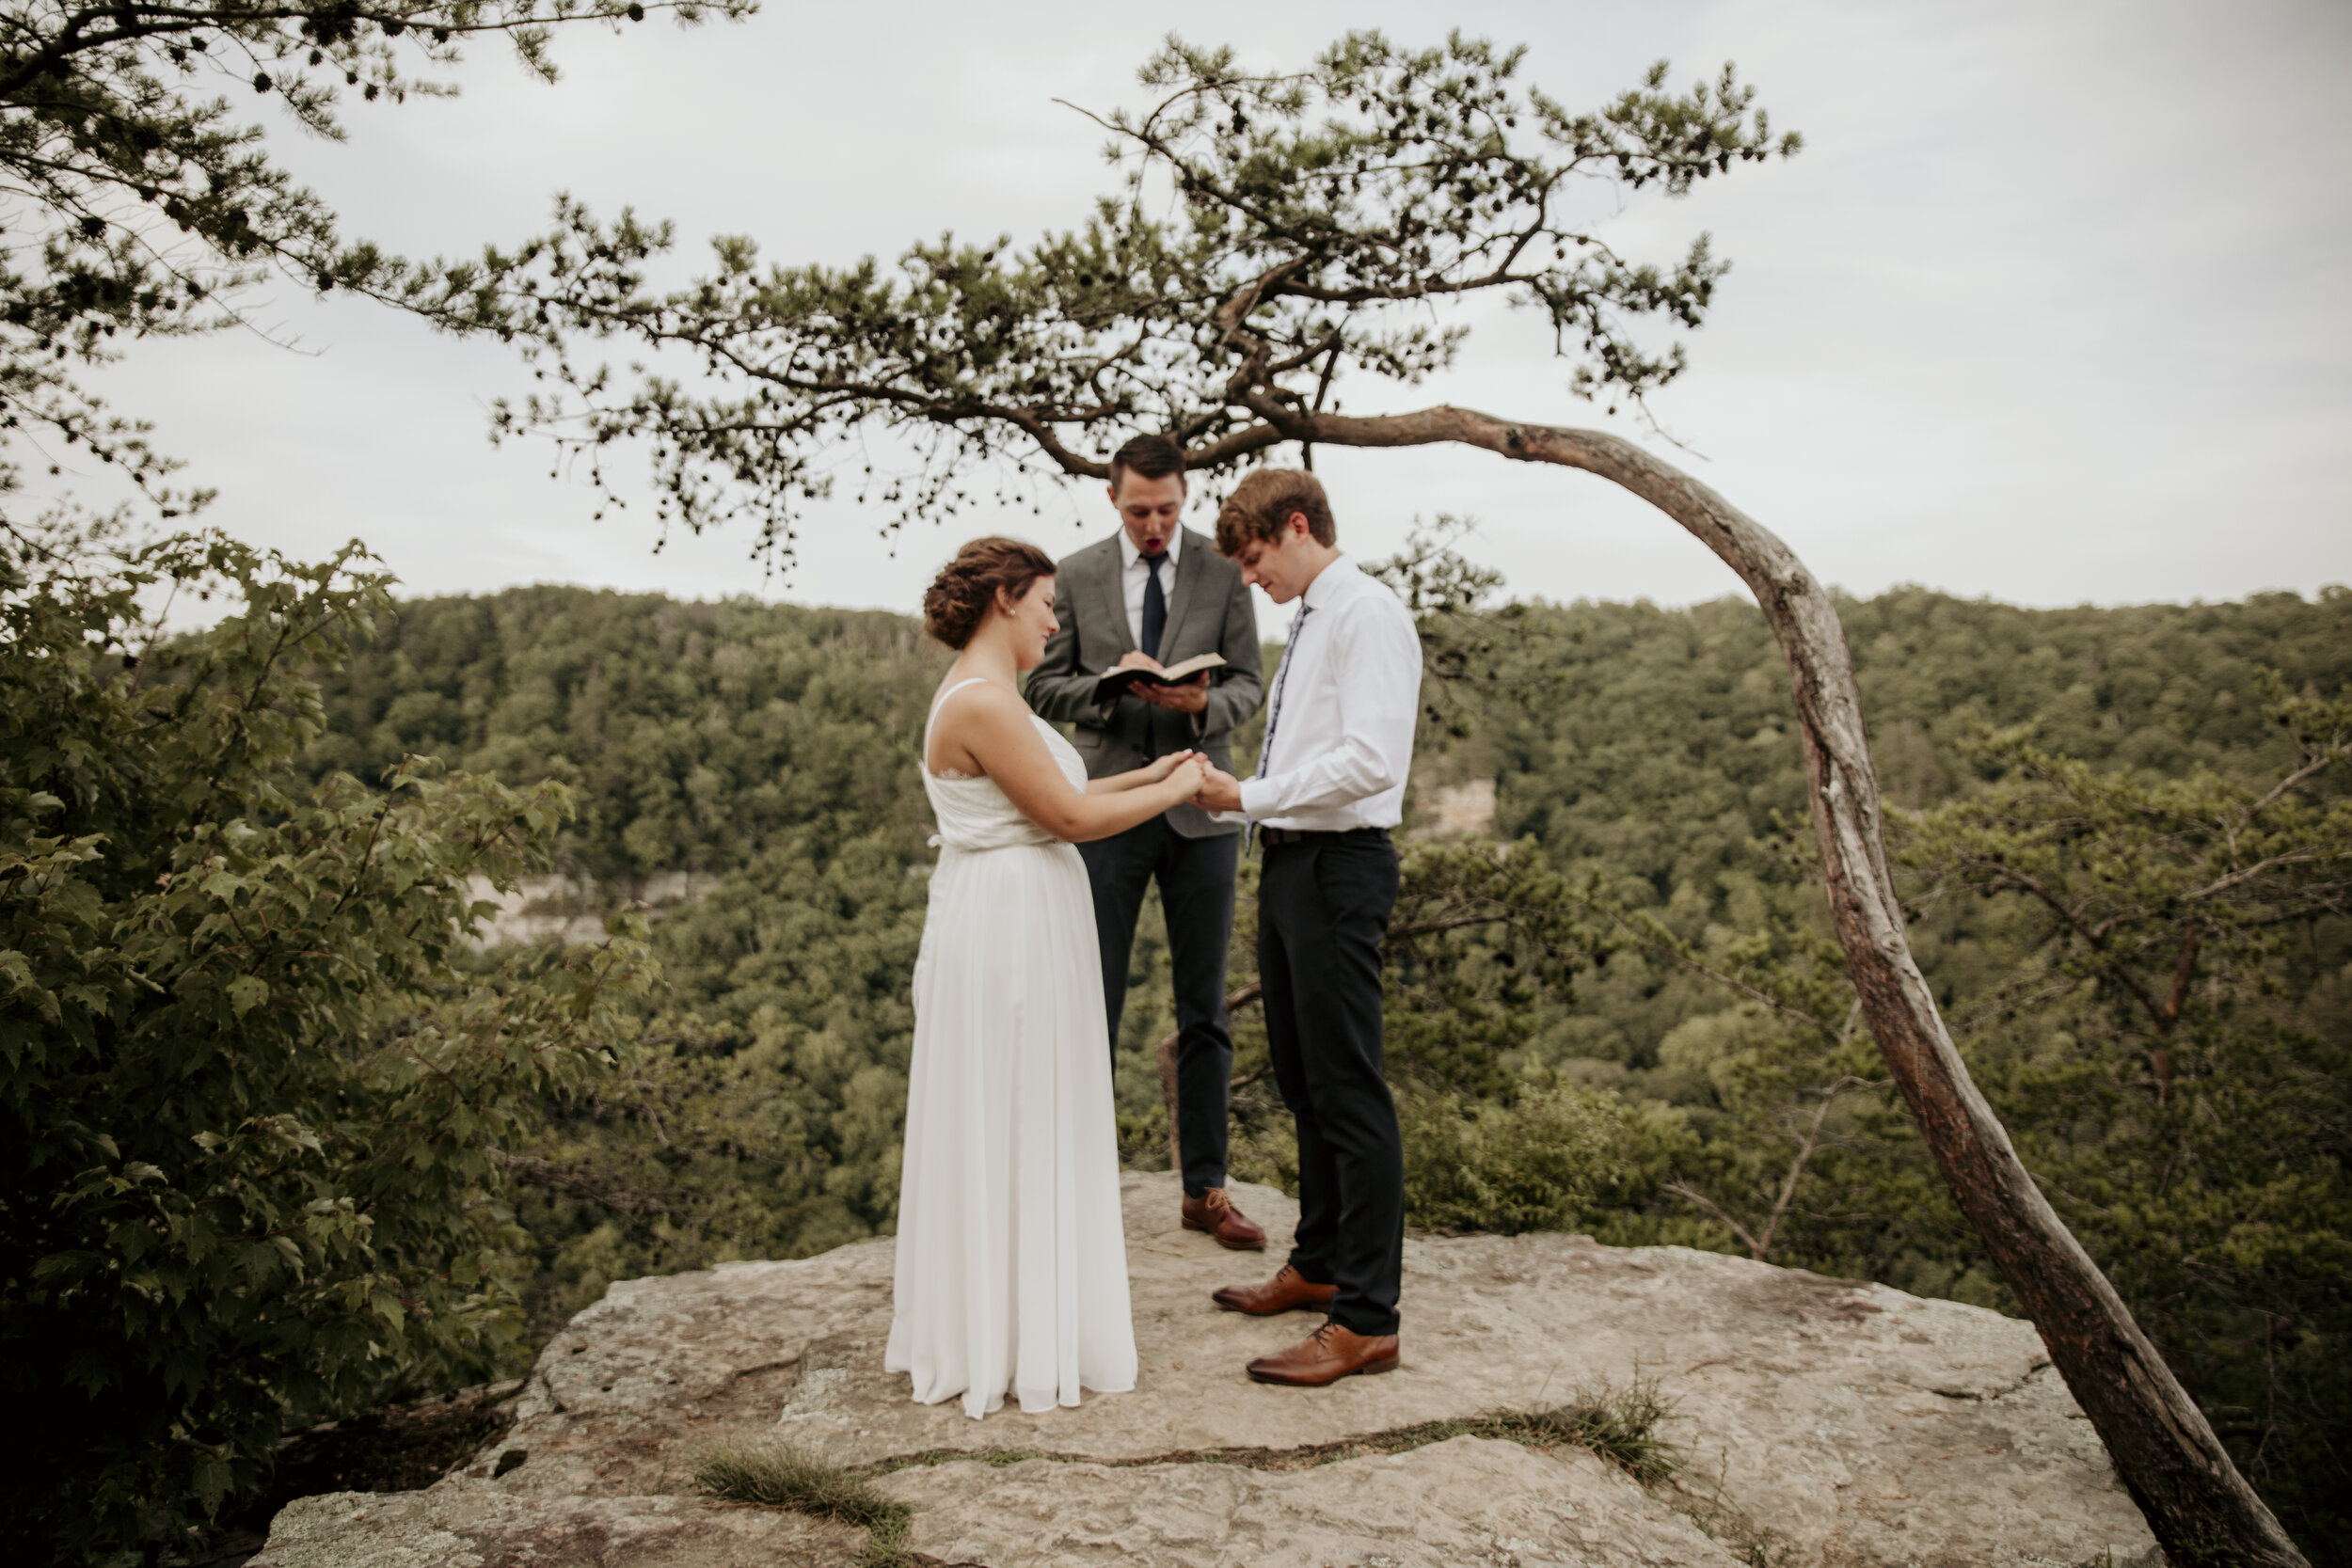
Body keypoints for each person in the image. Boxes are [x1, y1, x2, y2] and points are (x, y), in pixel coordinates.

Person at [887, 537, 1212, 1419]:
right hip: (1006, 930)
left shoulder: (996, 696)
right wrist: (1175, 794)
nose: (1055, 619)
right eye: (1046, 604)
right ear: (1004, 597)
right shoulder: (984, 702)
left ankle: (1027, 1318)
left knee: (1029, 1106)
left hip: (1023, 914)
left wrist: (1162, 769)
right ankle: (1008, 1337)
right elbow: (1067, 816)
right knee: (1016, 1106)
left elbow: (1065, 800)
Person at [1191, 469, 1423, 1388]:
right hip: (1290, 863)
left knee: (1348, 1090)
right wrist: (1243, 800)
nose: (1250, 579)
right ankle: (1319, 1259)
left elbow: (1369, 760)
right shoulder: (1315, 618)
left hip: (1338, 866)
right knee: (1303, 1080)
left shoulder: (1366, 613)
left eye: (1253, 559)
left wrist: (1243, 792)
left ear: (1296, 526)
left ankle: (1365, 1317)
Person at [1025, 434, 1270, 1250]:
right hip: (1107, 809)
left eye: (1167, 508)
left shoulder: (1226, 569)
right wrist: (1108, 692)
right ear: (1112, 499)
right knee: (1090, 1000)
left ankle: (1206, 1190)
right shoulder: (1078, 573)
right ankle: (1076, 1189)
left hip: (1202, 808)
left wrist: (1198, 701)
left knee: (1205, 1010)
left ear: (1185, 495)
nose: (1155, 524)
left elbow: (1248, 683)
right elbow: (1040, 681)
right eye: (1139, 511)